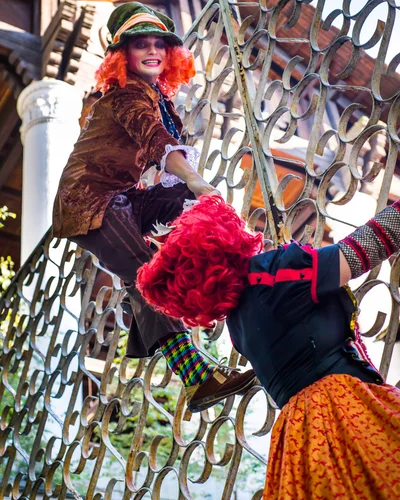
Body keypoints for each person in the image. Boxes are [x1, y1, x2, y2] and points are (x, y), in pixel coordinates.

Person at [52, 2, 256, 414]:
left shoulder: (159, 96)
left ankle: (203, 277)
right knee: (146, 272)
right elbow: (153, 138)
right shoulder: (126, 94)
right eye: (139, 44)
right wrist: (197, 180)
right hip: (89, 203)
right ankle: (196, 377)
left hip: (124, 198)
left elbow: (162, 165)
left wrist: (190, 195)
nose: (152, 51)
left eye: (159, 44)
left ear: (170, 54)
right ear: (120, 56)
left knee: (182, 207)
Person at [137, 194, 400, 500]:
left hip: (296, 441)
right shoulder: (271, 273)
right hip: (340, 414)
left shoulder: (238, 324)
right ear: (222, 237)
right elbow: (363, 249)